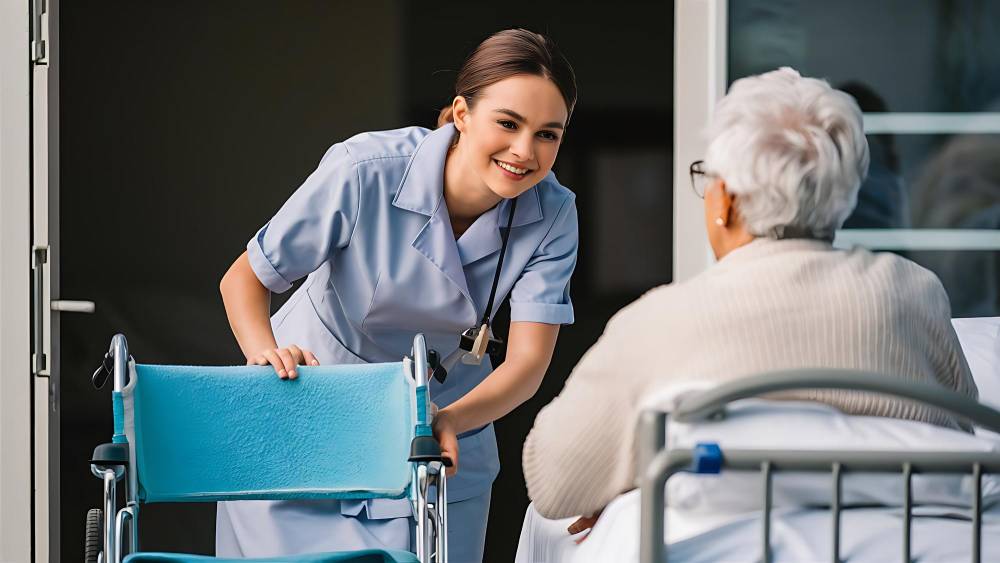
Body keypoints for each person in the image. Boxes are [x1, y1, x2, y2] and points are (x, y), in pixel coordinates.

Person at [522, 67, 978, 528]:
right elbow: (960, 445)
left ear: (727, 203)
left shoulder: (661, 318)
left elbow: (552, 482)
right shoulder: (916, 292)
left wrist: (639, 473)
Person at [216, 28, 579, 561]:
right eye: (508, 123)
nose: (525, 151)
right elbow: (244, 279)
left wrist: (449, 419)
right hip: (307, 417)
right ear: (461, 114)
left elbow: (526, 362)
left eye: (548, 134)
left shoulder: (553, 214)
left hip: (438, 439)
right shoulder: (364, 169)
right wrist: (263, 352)